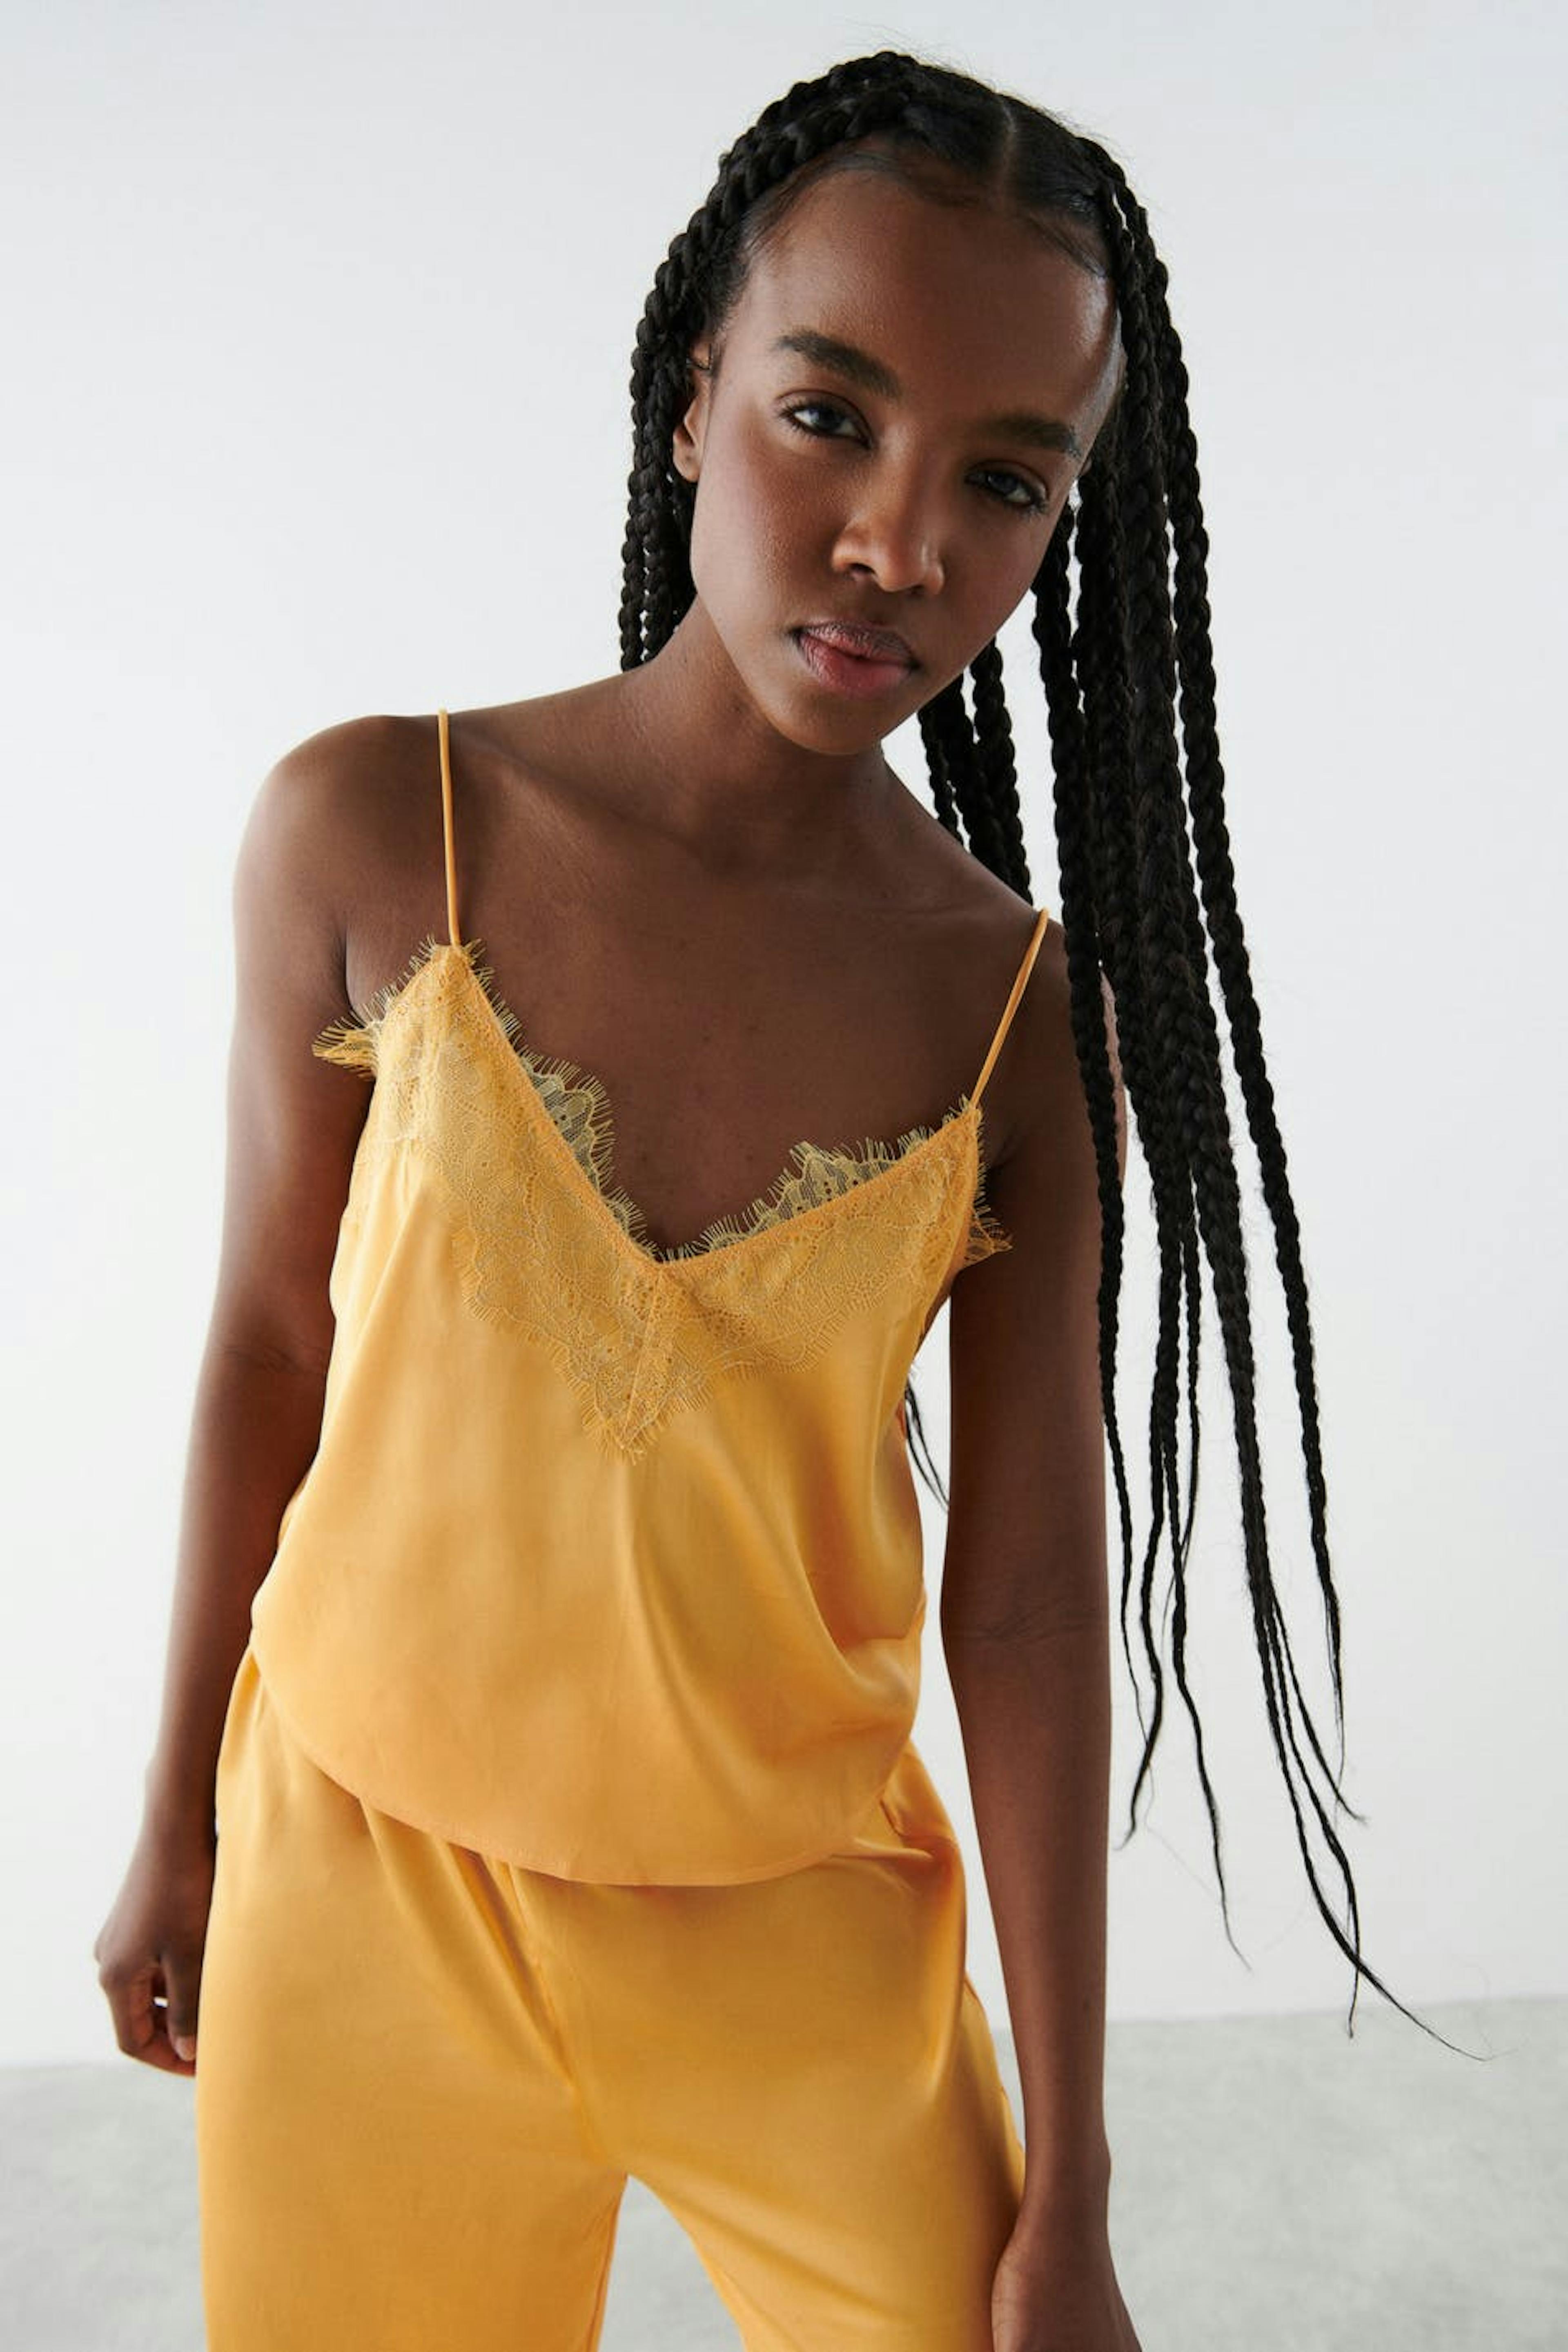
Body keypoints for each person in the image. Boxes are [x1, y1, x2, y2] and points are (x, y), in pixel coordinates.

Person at [93, 47, 1430, 2352]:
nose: (904, 545)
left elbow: (1031, 1601)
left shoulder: (1012, 1027)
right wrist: (175, 1818)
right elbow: (266, 1347)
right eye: (831, 416)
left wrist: (1073, 2191)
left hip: (798, 1935)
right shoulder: (373, 832)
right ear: (695, 390)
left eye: (1004, 479)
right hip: (356, 1891)